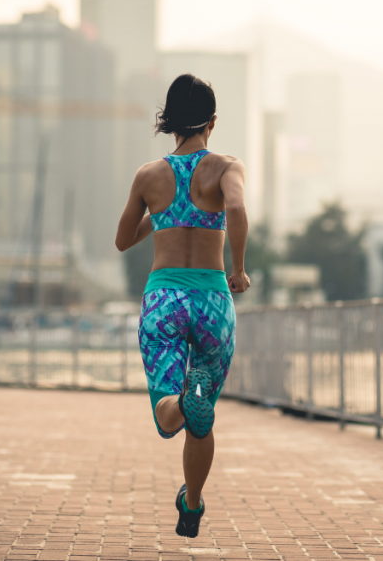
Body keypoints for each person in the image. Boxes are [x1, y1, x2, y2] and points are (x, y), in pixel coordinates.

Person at [115, 73, 250, 538]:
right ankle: (191, 504)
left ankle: (178, 401)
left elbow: (121, 241)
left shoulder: (149, 176)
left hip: (165, 297)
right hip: (213, 298)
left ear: (169, 122)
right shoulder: (227, 167)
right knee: (203, 415)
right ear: (212, 122)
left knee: (167, 407)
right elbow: (234, 208)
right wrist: (239, 268)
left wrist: (160, 217)